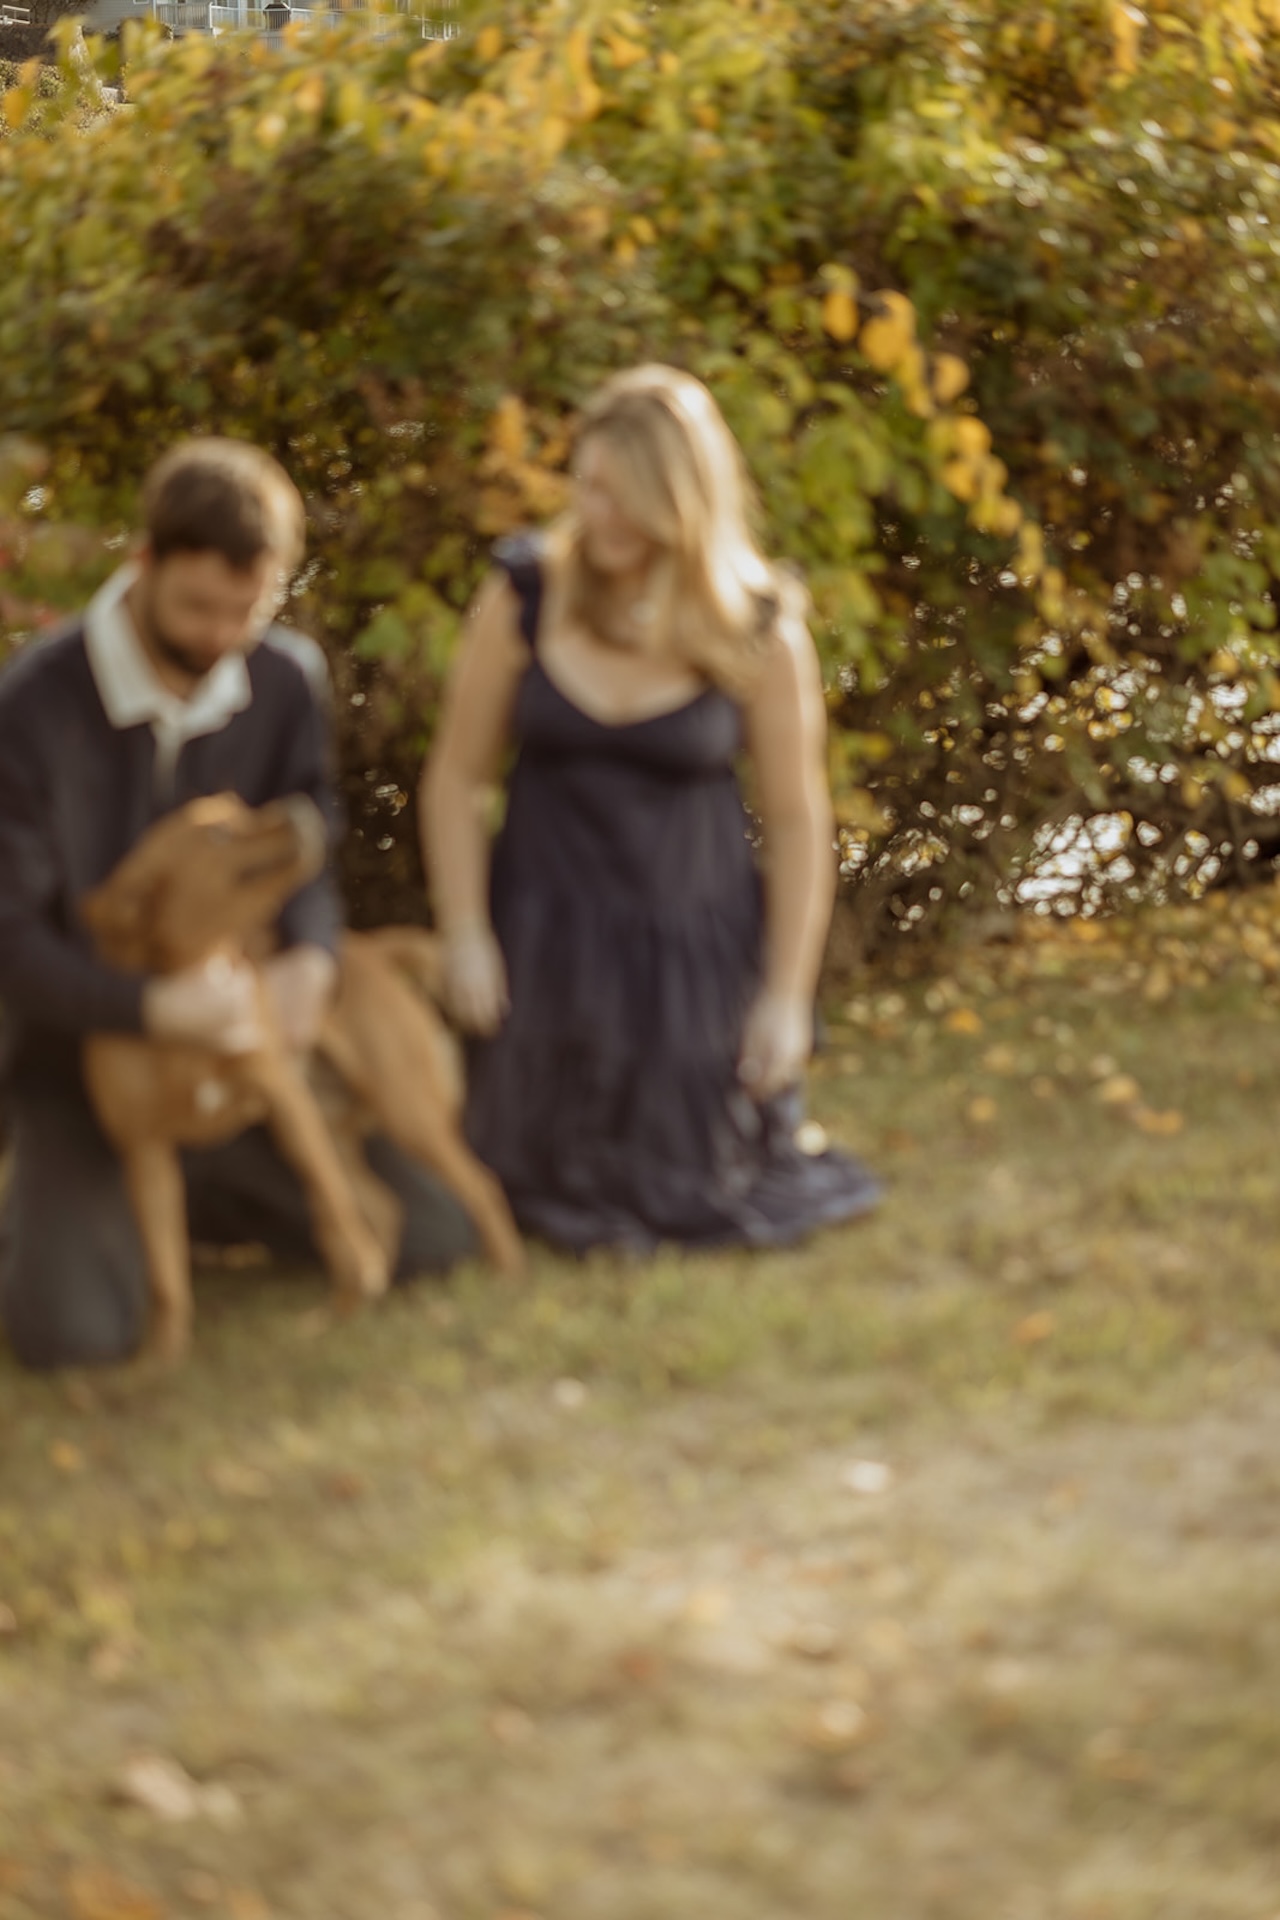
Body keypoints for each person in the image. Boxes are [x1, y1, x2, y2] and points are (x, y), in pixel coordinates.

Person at [0, 438, 475, 1371]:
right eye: (195, 607)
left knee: (432, 1239)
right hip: (91, 1066)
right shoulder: (32, 708)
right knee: (74, 1334)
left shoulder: (285, 679)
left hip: (246, 1058)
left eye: (245, 611)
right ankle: (68, 1209)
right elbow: (8, 936)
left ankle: (198, 1198)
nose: (219, 636)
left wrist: (308, 954)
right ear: (143, 563)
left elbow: (310, 839)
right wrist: (147, 1007)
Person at [423, 364, 881, 1253]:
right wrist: (466, 931)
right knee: (508, 1182)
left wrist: (786, 997)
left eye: (624, 497)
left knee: (696, 1182)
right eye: (588, 487)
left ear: (683, 500)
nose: (599, 516)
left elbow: (795, 821)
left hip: (691, 962)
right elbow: (455, 779)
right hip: (541, 951)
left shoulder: (758, 624)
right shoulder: (522, 596)